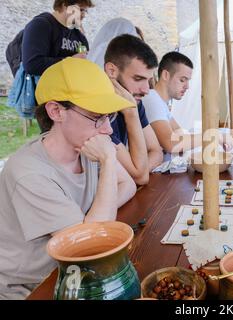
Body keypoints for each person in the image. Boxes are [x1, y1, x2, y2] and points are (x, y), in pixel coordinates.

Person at [0, 58, 137, 299]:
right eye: (98, 117)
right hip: (34, 288)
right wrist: (107, 163)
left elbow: (128, 184)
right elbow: (91, 246)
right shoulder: (29, 173)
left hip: (73, 276)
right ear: (56, 111)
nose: (108, 130)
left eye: (110, 117)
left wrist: (90, 218)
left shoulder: (85, 146)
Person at [142, 51, 232, 156]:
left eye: (188, 81)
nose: (187, 86)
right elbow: (171, 144)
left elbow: (178, 130)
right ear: (166, 75)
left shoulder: (161, 102)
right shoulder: (152, 100)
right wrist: (213, 136)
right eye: (182, 80)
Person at [104, 34, 163, 184]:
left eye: (148, 80)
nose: (146, 90)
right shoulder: (97, 113)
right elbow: (140, 176)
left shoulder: (134, 101)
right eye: (138, 79)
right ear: (111, 71)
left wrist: (139, 171)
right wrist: (131, 115)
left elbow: (156, 151)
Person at [22, 0, 94, 76]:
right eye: (80, 10)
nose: (83, 15)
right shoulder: (41, 25)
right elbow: (32, 65)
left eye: (85, 11)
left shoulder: (79, 36)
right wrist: (70, 62)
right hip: (42, 86)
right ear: (64, 5)